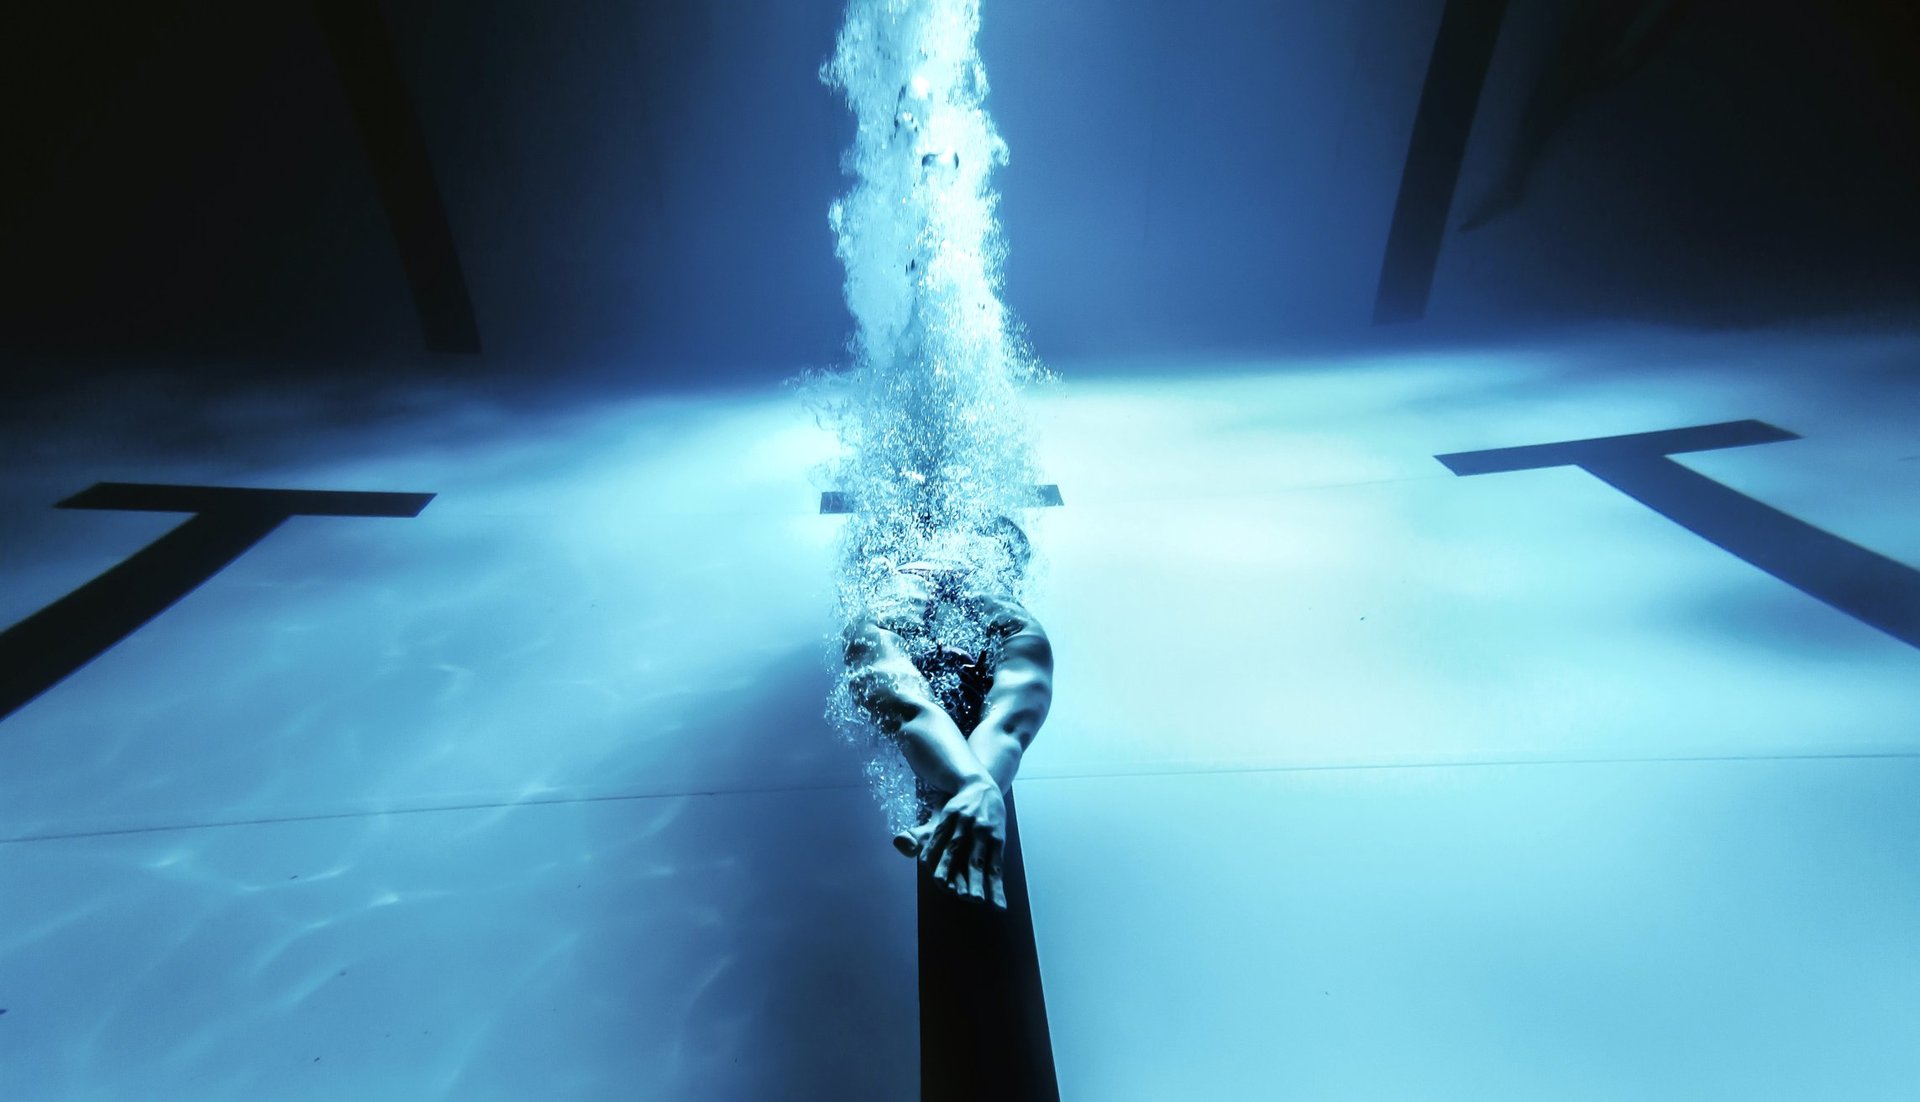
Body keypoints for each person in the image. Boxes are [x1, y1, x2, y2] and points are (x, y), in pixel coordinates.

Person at [842, 517, 1053, 910]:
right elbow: (1002, 728)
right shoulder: (1012, 622)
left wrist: (973, 786)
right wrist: (977, 786)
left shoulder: (886, 608)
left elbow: (915, 711)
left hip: (905, 563)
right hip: (953, 569)